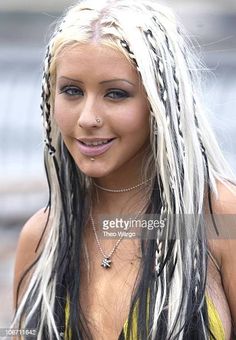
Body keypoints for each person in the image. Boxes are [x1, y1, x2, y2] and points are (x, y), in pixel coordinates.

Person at [12, 0, 236, 339]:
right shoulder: (42, 238)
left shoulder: (218, 221)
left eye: (116, 94)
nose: (88, 118)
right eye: (71, 90)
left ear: (160, 103)